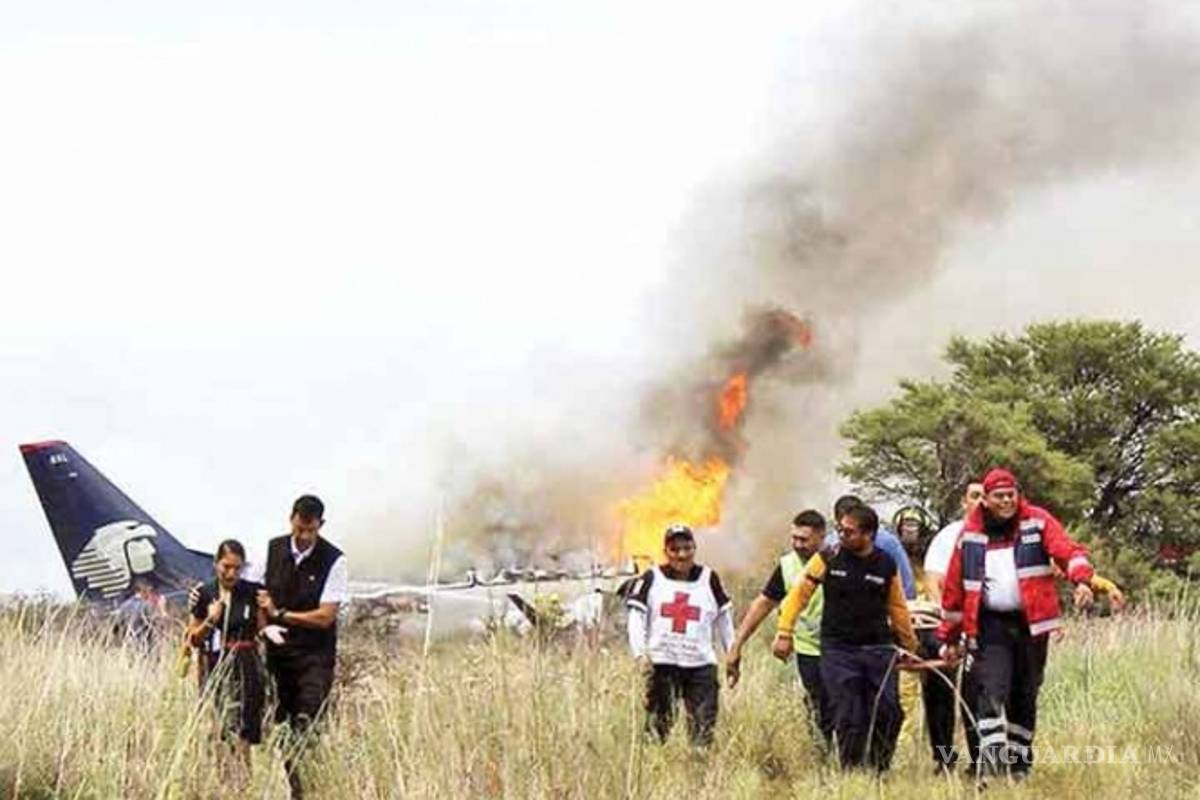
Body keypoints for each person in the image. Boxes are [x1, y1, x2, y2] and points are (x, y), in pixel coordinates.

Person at [937, 468, 1095, 781]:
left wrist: (1082, 580)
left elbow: (1068, 551)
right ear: (986, 499)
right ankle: (992, 769)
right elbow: (955, 589)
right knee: (991, 690)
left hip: (1031, 626)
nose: (1007, 500)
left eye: (1011, 494)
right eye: (999, 496)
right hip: (989, 626)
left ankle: (1019, 766)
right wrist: (949, 637)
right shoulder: (970, 534)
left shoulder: (1038, 521)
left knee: (1025, 694)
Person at [774, 505, 918, 772]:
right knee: (849, 714)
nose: (841, 535)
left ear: (869, 534)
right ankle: (851, 772)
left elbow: (897, 607)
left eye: (849, 532)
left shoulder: (886, 563)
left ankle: (877, 768)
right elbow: (798, 595)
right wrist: (784, 632)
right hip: (839, 650)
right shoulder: (828, 557)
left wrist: (909, 645)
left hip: (879, 649)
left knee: (890, 712)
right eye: (839, 529)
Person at [248, 494, 348, 799]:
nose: (303, 536)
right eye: (299, 529)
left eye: (310, 531)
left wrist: (282, 614)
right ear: (291, 519)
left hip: (314, 657)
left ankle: (303, 790)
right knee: (275, 723)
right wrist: (265, 628)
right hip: (278, 653)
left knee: (306, 723)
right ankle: (280, 785)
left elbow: (325, 616)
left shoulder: (335, 560)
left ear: (321, 526)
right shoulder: (271, 550)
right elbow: (256, 595)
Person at [725, 509, 832, 748]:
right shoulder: (787, 566)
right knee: (817, 706)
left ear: (821, 536)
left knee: (844, 705)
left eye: (803, 539)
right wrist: (737, 645)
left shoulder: (836, 561)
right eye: (794, 538)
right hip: (808, 649)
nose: (797, 544)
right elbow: (763, 603)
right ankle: (825, 757)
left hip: (840, 649)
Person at [626, 523, 735, 747]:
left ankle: (698, 773)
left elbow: (724, 618)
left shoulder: (708, 578)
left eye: (687, 548)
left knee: (703, 728)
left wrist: (732, 653)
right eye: (675, 549)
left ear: (694, 548)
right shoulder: (652, 578)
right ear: (666, 551)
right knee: (658, 728)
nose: (682, 554)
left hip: (700, 665)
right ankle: (656, 772)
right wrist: (640, 654)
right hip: (663, 663)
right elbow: (636, 617)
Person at [186, 539, 267, 777]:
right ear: (215, 564)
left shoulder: (253, 592)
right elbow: (192, 638)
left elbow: (262, 629)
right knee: (219, 727)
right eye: (226, 567)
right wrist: (211, 620)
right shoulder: (203, 594)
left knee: (243, 729)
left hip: (246, 665)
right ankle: (222, 782)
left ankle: (244, 784)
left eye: (237, 568)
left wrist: (269, 619)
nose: (231, 573)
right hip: (214, 665)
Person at [893, 505, 960, 773]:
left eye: (914, 525)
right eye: (905, 525)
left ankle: (943, 756)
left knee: (941, 697)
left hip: (935, 628)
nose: (910, 530)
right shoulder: (889, 554)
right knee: (900, 694)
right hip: (901, 628)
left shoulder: (936, 554)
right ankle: (898, 748)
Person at [826, 495, 918, 600]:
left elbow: (906, 584)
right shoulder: (830, 545)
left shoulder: (887, 543)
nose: (843, 535)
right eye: (841, 529)